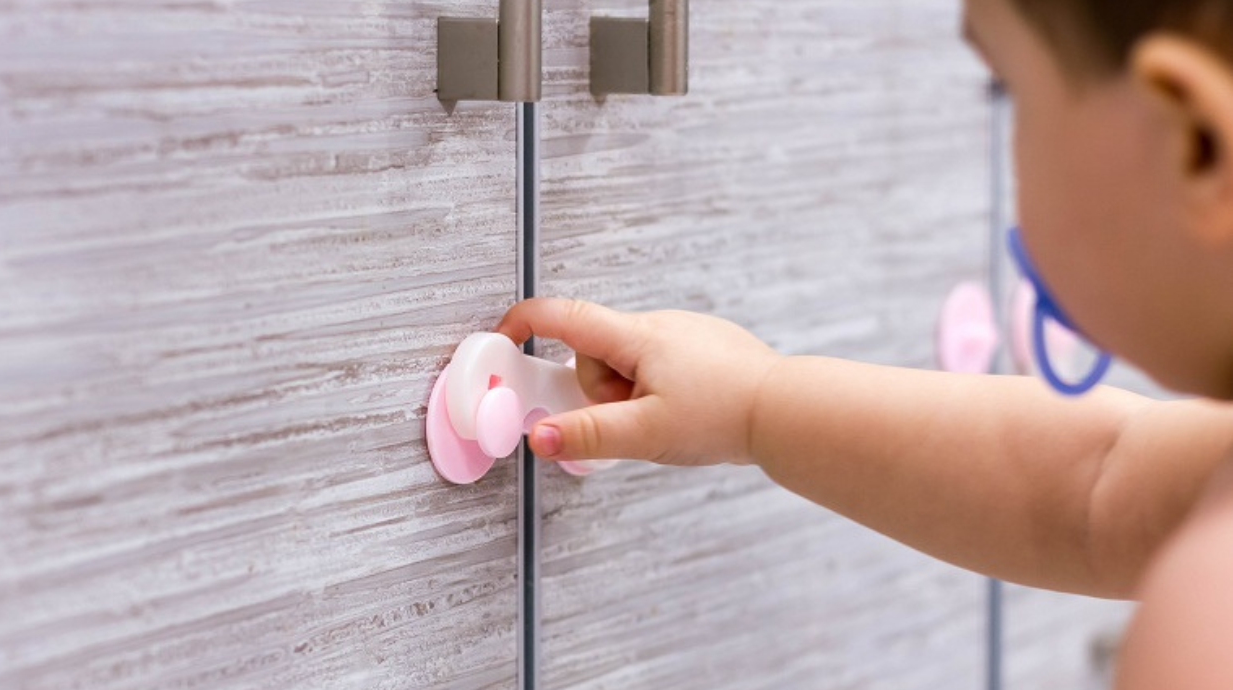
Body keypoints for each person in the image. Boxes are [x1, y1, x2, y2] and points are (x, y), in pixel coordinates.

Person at [497, 0, 1233, 686]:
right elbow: (1094, 491)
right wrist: (754, 403)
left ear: (1194, 144)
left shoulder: (1208, 616)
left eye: (1008, 90)